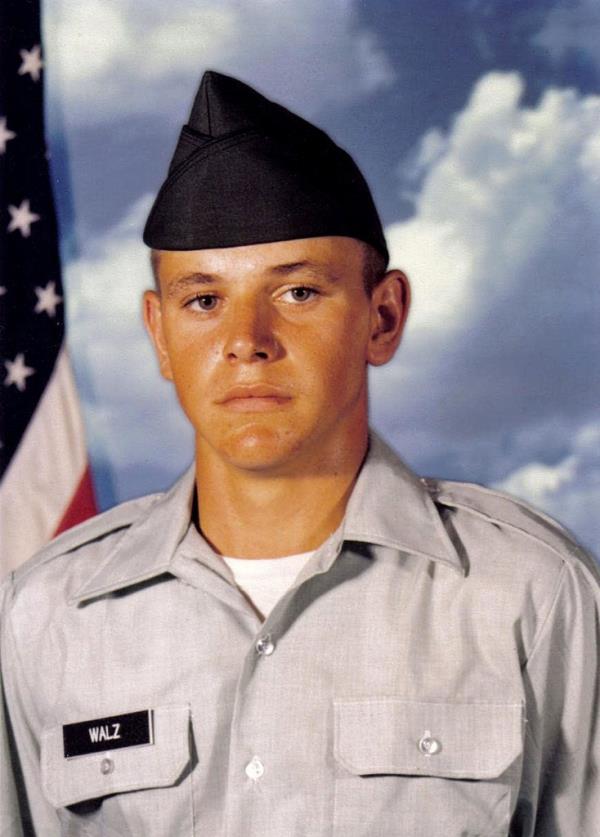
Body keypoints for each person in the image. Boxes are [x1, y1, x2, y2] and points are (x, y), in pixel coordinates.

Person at [1, 71, 598, 837]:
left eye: (298, 292)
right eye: (204, 300)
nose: (246, 341)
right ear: (159, 333)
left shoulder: (531, 593)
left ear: (383, 317)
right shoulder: (47, 614)